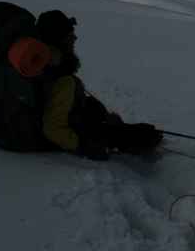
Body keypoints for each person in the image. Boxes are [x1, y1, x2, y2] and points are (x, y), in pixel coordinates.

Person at [26, 10, 163, 160]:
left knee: (135, 131)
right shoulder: (61, 78)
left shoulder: (41, 63)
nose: (75, 38)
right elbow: (53, 129)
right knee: (139, 135)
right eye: (70, 36)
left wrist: (101, 114)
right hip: (61, 134)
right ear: (60, 41)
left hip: (66, 121)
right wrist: (84, 146)